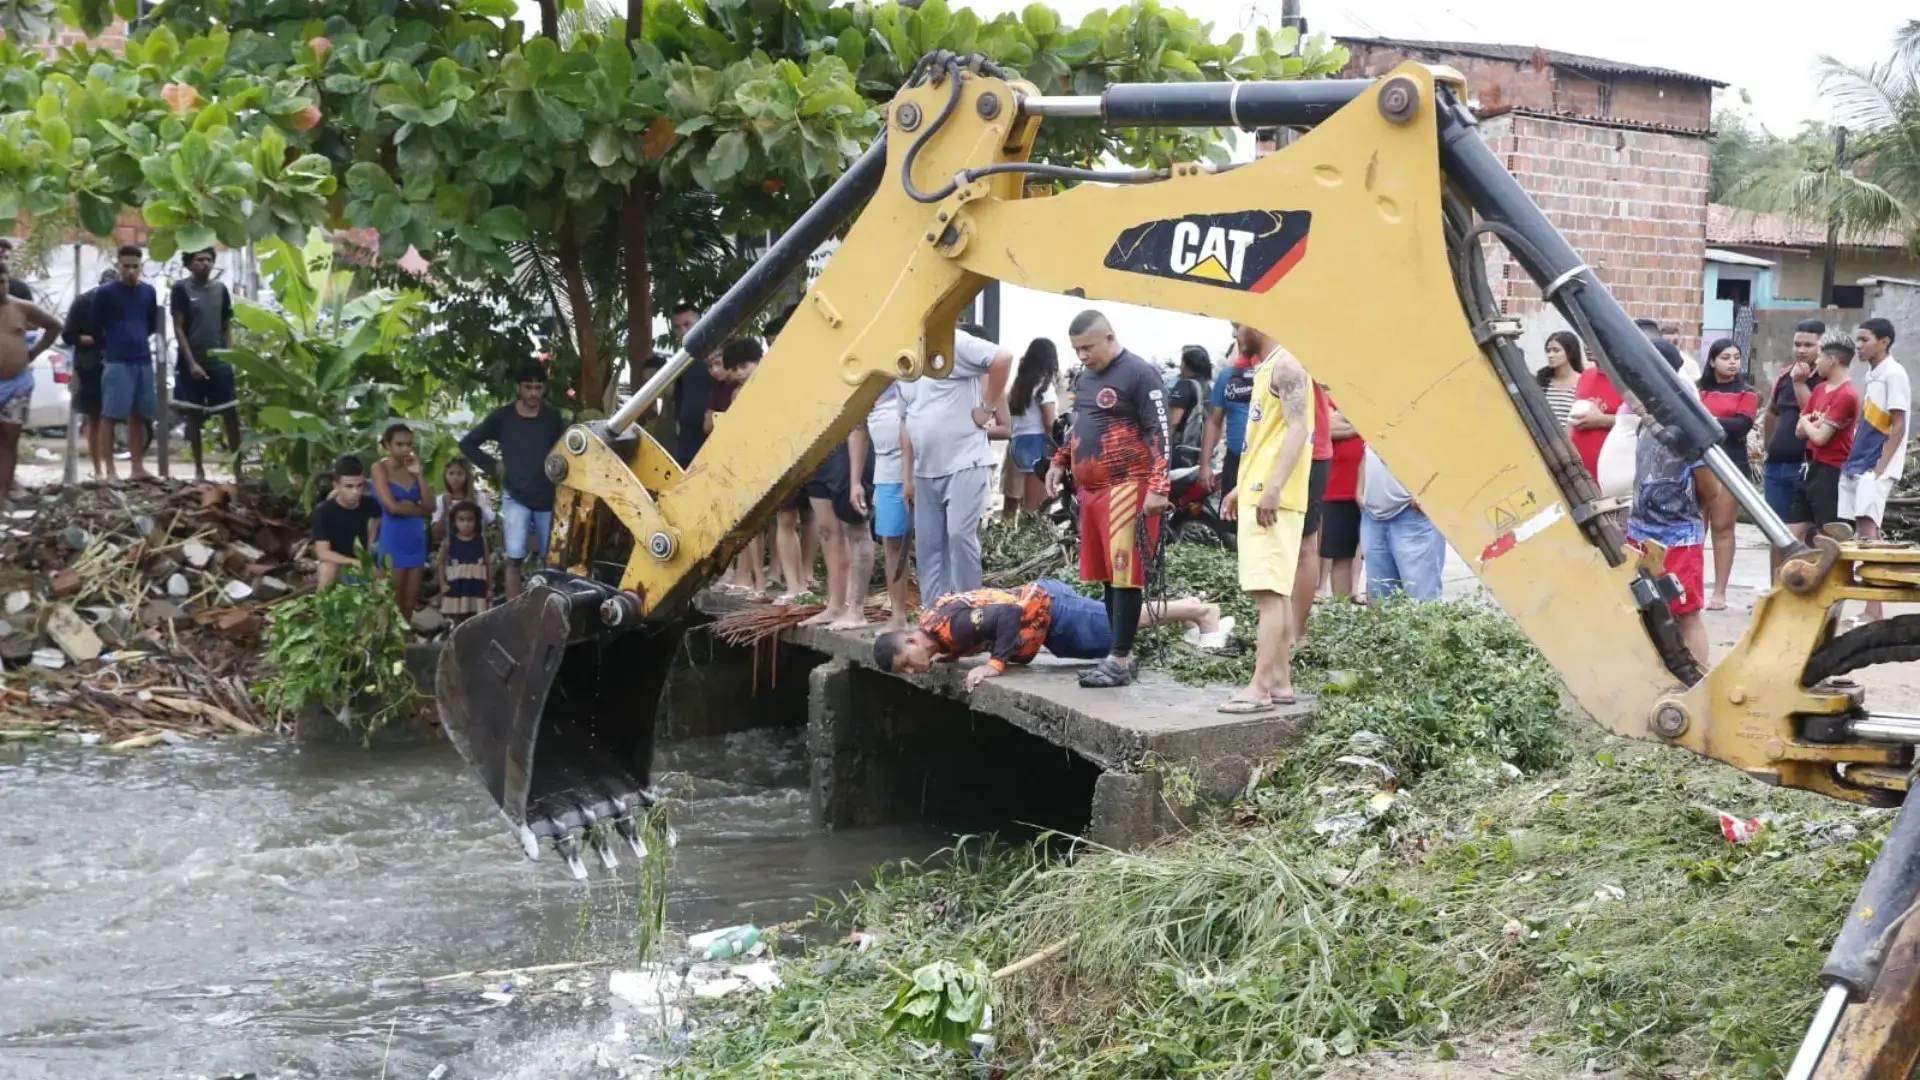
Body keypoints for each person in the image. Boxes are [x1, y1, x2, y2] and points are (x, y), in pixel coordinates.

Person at [1046, 310, 1170, 690]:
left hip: (1127, 487)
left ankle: (1119, 657)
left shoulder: (1139, 373)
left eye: (1087, 347)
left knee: (1125, 576)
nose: (1082, 355)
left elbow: (1160, 430)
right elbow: (1077, 426)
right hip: (1092, 493)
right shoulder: (1085, 378)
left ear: (1109, 338)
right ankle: (1119, 655)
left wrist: (1159, 486)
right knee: (1106, 577)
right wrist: (1059, 461)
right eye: (1076, 349)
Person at [873, 579, 1227, 692]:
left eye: (906, 663)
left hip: (1054, 612)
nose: (912, 671)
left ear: (910, 641)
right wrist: (955, 654)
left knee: (1121, 624)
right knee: (1113, 630)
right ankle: (1187, 613)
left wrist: (994, 665)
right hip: (1047, 616)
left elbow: (1008, 614)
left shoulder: (951, 627)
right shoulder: (936, 631)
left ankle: (1200, 612)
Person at [1218, 322, 1313, 713]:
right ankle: (1280, 681)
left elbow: (1298, 430)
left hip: (1272, 498)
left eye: (1237, 325)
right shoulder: (1270, 365)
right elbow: (1268, 437)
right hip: (1261, 491)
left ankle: (1258, 687)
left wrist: (1272, 487)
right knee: (1278, 592)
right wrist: (1246, 485)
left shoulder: (1286, 364)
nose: (1236, 334)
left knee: (1269, 596)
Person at [901, 322, 1012, 605]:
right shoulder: (900, 354)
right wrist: (907, 477)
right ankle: (935, 616)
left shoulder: (951, 340)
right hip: (926, 469)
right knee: (927, 547)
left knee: (960, 537)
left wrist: (985, 408)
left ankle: (970, 614)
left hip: (965, 460)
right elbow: (906, 419)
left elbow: (1003, 358)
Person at [1625, 340, 1709, 665]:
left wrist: (1683, 514)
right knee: (1646, 610)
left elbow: (1709, 488)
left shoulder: (1686, 417)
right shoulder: (1647, 414)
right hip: (1640, 531)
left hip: (1678, 535)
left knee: (1686, 612)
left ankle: (1698, 681)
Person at [458, 364, 568, 599]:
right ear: (518, 387)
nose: (533, 394)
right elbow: (468, 443)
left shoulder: (552, 418)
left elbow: (566, 452)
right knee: (514, 557)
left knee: (552, 561)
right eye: (528, 387)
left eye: (538, 388)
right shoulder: (502, 417)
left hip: (549, 497)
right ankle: (513, 609)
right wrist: (493, 465)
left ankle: (548, 608)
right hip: (515, 495)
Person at [1840, 318, 1909, 626]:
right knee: (1859, 531)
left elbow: (1898, 423)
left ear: (1884, 342)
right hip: (1859, 460)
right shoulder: (1872, 375)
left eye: (1865, 339)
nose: (1859, 345)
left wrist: (1881, 466)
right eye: (1858, 339)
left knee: (1870, 531)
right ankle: (1869, 607)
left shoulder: (1894, 374)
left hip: (1876, 464)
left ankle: (1875, 609)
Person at [1695, 339, 1757, 610]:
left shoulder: (1747, 393)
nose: (1732, 362)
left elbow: (1742, 425)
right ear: (1711, 361)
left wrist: (1706, 421)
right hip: (1698, 463)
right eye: (1725, 357)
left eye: (1736, 357)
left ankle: (1719, 592)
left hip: (1730, 464)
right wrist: (1720, 424)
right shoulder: (1697, 390)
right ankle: (1692, 585)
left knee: (1722, 527)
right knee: (1696, 528)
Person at [1763, 320, 1827, 575]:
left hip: (1807, 466)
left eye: (1809, 345)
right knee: (1775, 533)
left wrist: (1801, 383)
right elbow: (1771, 413)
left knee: (1808, 536)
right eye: (1798, 344)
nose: (1801, 350)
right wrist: (1769, 447)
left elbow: (1815, 415)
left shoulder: (1826, 380)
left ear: (1822, 347)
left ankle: (1803, 593)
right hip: (1776, 467)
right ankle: (1775, 591)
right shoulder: (1784, 376)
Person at [169, 248, 239, 482]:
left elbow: (226, 325)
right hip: (193, 362)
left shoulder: (220, 290)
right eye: (199, 260)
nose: (205, 264)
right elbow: (179, 327)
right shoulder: (181, 289)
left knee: (230, 414)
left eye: (209, 260)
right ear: (189, 264)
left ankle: (238, 468)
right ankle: (198, 470)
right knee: (194, 415)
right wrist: (191, 363)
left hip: (218, 361)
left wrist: (229, 356)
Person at [94, 245, 161, 483]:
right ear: (118, 266)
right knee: (110, 416)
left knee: (139, 415)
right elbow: (96, 326)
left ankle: (138, 468)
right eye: (126, 266)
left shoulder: (149, 292)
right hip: (116, 360)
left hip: (142, 359)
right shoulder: (105, 293)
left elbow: (151, 324)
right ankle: (110, 470)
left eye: (135, 266)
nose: (131, 271)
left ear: (141, 267)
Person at [0, 264, 62, 508]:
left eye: (2, 282)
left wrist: (34, 352)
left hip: (17, 384)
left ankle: (3, 494)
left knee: (9, 441)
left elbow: (54, 325)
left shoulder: (21, 307)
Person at [710, 339, 766, 592]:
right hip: (740, 460)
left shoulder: (767, 387)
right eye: (736, 368)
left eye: (745, 366)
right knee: (742, 525)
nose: (740, 372)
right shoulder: (735, 393)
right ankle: (746, 577)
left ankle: (759, 581)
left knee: (752, 524)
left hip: (760, 459)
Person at [1357, 445, 1446, 600]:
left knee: (1421, 599)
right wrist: (1359, 492)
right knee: (1381, 600)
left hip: (1412, 513)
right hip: (1373, 512)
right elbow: (1367, 451)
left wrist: (1426, 493)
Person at [1795, 338, 1859, 537]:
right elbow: (1798, 431)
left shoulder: (1847, 394)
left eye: (1821, 356)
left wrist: (1807, 423)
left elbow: (1821, 437)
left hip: (1832, 471)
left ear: (1832, 360)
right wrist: (1810, 425)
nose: (1817, 362)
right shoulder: (1819, 389)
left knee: (1831, 535)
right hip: (1811, 467)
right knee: (1792, 532)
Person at [864, 382, 912, 630]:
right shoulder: (867, 384)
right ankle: (898, 615)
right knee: (891, 543)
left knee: (929, 543)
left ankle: (938, 612)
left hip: (916, 469)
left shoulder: (912, 381)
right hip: (885, 473)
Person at [371, 422, 432, 617]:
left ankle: (405, 645)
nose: (406, 449)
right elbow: (392, 508)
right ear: (388, 445)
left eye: (409, 444)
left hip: (416, 539)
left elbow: (431, 506)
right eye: (400, 444)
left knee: (409, 603)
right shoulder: (379, 468)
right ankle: (388, 645)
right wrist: (417, 509)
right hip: (393, 539)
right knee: (392, 601)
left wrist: (419, 475)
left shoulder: (413, 467)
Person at [61, 269, 117, 481]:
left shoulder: (121, 302)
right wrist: (83, 339)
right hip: (90, 365)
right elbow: (68, 334)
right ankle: (98, 470)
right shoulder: (84, 302)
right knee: (94, 417)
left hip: (116, 362)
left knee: (112, 418)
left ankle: (110, 469)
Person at [1002, 338, 1059, 515]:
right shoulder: (1044, 385)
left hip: (1017, 444)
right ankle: (1031, 541)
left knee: (1015, 500)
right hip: (1037, 444)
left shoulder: (1019, 385)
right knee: (1034, 508)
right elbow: (1049, 422)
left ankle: (1011, 538)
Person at [1319, 393, 1365, 601]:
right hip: (1338, 489)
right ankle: (1342, 614)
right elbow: (1324, 429)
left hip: (1373, 491)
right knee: (1341, 555)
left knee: (1375, 555)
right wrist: (1362, 426)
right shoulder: (1326, 398)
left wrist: (1347, 422)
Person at [310, 455, 379, 588]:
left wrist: (369, 546)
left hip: (364, 562)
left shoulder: (370, 505)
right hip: (337, 563)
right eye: (349, 486)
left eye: (359, 486)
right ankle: (320, 606)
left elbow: (376, 519)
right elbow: (322, 553)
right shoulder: (324, 511)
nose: (355, 492)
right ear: (336, 485)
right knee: (327, 569)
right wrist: (354, 562)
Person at [1199, 342, 1256, 495]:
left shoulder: (1277, 373)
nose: (1235, 334)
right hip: (1234, 461)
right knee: (1228, 515)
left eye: (1238, 328)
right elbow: (1213, 421)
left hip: (1265, 463)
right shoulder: (1227, 376)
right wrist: (1204, 465)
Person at [668, 303, 715, 466]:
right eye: (677, 327)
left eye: (687, 325)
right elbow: (678, 398)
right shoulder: (678, 361)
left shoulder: (717, 354)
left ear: (700, 323)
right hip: (687, 440)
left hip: (713, 434)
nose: (683, 331)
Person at [437, 501, 492, 623]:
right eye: (461, 520)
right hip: (457, 588)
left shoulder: (481, 541)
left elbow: (488, 564)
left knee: (476, 619)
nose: (465, 524)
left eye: (470, 520)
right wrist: (442, 584)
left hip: (476, 588)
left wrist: (489, 588)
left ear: (476, 521)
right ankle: (457, 641)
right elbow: (440, 563)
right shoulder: (449, 541)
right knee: (458, 619)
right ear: (454, 522)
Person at [431, 456, 496, 545]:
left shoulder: (478, 497)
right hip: (450, 550)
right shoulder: (440, 500)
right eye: (451, 473)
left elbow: (490, 520)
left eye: (460, 474)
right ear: (445, 475)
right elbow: (436, 535)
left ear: (466, 476)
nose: (455, 478)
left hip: (475, 547)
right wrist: (446, 510)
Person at [1167, 344, 1211, 465]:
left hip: (1182, 450)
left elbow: (1173, 422)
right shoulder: (1209, 386)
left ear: (1185, 365)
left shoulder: (1184, 385)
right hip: (1202, 450)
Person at [1538, 330, 1585, 430]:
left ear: (1570, 353)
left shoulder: (1584, 382)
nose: (1550, 355)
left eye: (1556, 350)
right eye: (1548, 351)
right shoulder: (1543, 381)